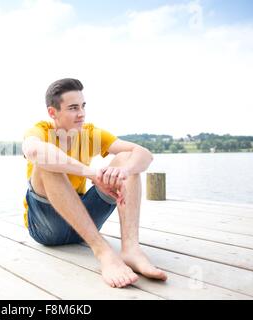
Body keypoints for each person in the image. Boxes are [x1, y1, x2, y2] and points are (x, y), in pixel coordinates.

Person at [22, 78, 167, 288]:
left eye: (83, 106)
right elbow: (34, 151)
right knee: (47, 162)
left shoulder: (90, 133)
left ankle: (131, 250)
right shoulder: (40, 131)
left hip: (82, 221)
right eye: (73, 108)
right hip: (46, 227)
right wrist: (91, 174)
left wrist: (122, 172)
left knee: (128, 159)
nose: (81, 113)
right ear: (53, 113)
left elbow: (144, 154)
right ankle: (104, 252)